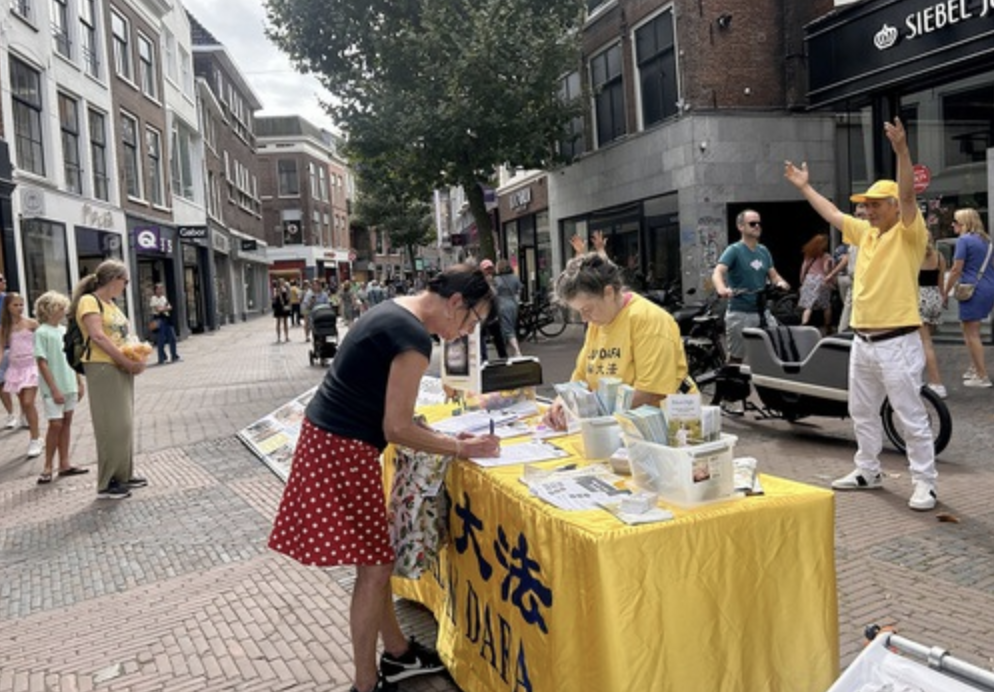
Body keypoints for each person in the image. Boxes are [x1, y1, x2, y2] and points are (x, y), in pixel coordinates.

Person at [268, 264, 500, 692]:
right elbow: (395, 428)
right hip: (345, 449)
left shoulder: (393, 312)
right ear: (455, 303)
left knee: (373, 560)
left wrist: (439, 435)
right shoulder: (411, 338)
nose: (468, 332)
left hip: (331, 441)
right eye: (472, 320)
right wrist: (460, 448)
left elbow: (381, 402)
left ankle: (398, 653)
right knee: (375, 569)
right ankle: (364, 682)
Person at [785, 116, 937, 511]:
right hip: (864, 341)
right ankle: (867, 469)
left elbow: (906, 198)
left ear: (890, 207)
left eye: (872, 205)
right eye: (864, 205)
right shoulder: (865, 233)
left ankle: (925, 483)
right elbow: (833, 214)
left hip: (897, 341)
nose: (866, 210)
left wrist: (902, 151)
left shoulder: (908, 233)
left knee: (910, 414)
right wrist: (805, 188)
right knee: (861, 410)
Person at [542, 253, 695, 430]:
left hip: (667, 427)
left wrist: (588, 416)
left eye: (587, 309)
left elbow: (648, 392)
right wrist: (561, 403)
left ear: (609, 292)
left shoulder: (649, 320)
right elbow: (581, 377)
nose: (584, 319)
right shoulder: (598, 321)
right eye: (579, 312)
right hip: (616, 425)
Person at [72, 259, 148, 500]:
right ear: (114, 279)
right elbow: (98, 337)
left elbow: (122, 335)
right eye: (125, 281)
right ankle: (107, 482)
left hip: (119, 366)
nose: (125, 286)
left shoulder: (111, 304)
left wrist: (137, 355)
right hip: (103, 366)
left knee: (124, 423)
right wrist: (125, 361)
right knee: (111, 424)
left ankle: (123, 473)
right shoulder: (89, 301)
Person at [711, 210, 791, 364]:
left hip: (762, 311)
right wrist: (722, 288)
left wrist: (781, 283)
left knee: (776, 349)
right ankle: (733, 385)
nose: (757, 226)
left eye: (759, 223)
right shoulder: (734, 250)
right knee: (736, 358)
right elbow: (718, 271)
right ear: (740, 227)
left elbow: (773, 275)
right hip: (740, 313)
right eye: (752, 223)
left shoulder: (763, 251)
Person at [33, 290, 88, 483]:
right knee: (55, 424)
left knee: (66, 423)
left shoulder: (64, 331)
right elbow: (42, 362)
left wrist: (79, 382)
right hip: (54, 387)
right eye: (59, 306)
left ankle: (65, 463)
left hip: (69, 384)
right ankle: (48, 465)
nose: (63, 310)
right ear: (48, 309)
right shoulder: (41, 332)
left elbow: (72, 359)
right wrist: (54, 388)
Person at [941, 208, 994, 388]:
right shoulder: (986, 240)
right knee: (969, 330)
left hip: (972, 288)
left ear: (964, 224)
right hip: (987, 286)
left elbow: (956, 269)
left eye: (955, 222)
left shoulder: (964, 240)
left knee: (971, 333)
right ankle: (975, 367)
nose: (952, 225)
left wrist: (945, 291)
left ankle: (982, 375)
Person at [1, 292, 42, 458]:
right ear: (7, 307)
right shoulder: (4, 328)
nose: (19, 308)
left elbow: (42, 340)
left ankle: (35, 439)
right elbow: (1, 348)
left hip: (31, 366)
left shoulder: (32, 323)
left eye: (21, 304)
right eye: (15, 305)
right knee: (24, 404)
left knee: (28, 401)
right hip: (15, 368)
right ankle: (36, 435)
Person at [824, 203, 867, 332]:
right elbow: (847, 257)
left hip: (863, 283)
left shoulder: (870, 233)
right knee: (846, 319)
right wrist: (833, 274)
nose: (858, 218)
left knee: (858, 319)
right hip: (852, 281)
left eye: (862, 215)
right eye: (857, 215)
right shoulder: (855, 233)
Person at [918, 232, 947, 398]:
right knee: (926, 340)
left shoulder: (915, 256)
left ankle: (936, 382)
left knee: (925, 343)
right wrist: (942, 299)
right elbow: (940, 282)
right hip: (934, 298)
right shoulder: (940, 256)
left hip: (919, 298)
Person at [797, 233, 834, 332]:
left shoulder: (808, 255)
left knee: (808, 306)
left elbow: (803, 268)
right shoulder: (826, 256)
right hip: (822, 281)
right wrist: (831, 279)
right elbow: (826, 270)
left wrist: (802, 280)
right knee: (826, 305)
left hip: (809, 280)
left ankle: (804, 324)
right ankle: (828, 327)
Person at [479, 259, 508, 361]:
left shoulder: (494, 281)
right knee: (481, 338)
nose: (489, 271)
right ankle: (483, 359)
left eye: (490, 269)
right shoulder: (480, 282)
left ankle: (503, 357)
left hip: (493, 315)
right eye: (487, 269)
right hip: (483, 316)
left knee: (498, 338)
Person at [493, 259, 523, 357]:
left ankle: (517, 350)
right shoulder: (515, 278)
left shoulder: (497, 280)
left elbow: (494, 293)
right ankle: (509, 349)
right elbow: (519, 289)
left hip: (502, 305)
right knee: (511, 326)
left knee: (507, 329)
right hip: (513, 304)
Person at [0, 273, 18, 429]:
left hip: (12, 345)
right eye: (0, 280)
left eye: (4, 279)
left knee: (19, 380)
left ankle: (25, 413)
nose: (4, 281)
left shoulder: (8, 300)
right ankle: (11, 414)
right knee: (1, 382)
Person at [149, 283, 180, 365]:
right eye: (159, 289)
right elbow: (158, 309)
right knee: (161, 339)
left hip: (167, 319)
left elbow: (170, 306)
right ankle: (161, 359)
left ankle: (174, 356)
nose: (161, 290)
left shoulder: (163, 298)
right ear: (155, 290)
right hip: (159, 319)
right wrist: (165, 308)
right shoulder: (153, 298)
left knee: (172, 338)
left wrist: (164, 308)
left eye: (161, 289)